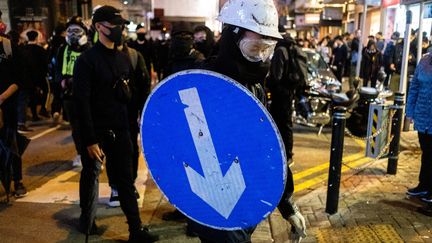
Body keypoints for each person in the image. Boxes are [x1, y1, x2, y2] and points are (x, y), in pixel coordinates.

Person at [187, 0, 307, 242]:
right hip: (214, 204)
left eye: (266, 49)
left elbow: (267, 146)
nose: (259, 58)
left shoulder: (255, 87)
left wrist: (286, 203)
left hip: (246, 201)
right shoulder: (201, 85)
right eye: (254, 48)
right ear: (232, 36)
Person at [73, 5, 158, 242]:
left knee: (126, 181)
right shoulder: (87, 61)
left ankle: (136, 229)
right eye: (114, 26)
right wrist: (89, 139)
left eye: (121, 26)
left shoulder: (125, 57)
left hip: (121, 130)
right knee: (90, 177)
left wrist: (134, 125)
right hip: (97, 132)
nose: (120, 30)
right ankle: (87, 220)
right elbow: (82, 103)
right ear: (99, 27)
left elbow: (131, 95)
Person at [107, 30, 151, 207]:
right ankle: (115, 187)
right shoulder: (98, 57)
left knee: (131, 149)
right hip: (108, 114)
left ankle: (129, 184)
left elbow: (144, 82)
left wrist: (142, 110)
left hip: (130, 113)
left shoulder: (133, 55)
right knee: (112, 151)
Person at [54, 16, 90, 168]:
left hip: (88, 95)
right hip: (69, 95)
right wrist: (62, 81)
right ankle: (81, 154)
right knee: (76, 128)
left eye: (77, 30)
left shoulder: (90, 49)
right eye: (70, 30)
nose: (73, 33)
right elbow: (57, 70)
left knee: (90, 126)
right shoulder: (62, 50)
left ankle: (94, 154)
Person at [0, 23, 28, 198]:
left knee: (11, 143)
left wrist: (2, 97)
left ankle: (17, 181)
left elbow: (21, 79)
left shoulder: (8, 47)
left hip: (7, 107)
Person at [405, 52, 432, 213]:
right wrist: (410, 111)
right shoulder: (424, 60)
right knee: (427, 152)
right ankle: (424, 185)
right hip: (422, 116)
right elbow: (414, 86)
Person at [18, 30, 48, 130]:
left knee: (31, 95)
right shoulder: (40, 49)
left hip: (27, 77)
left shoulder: (23, 49)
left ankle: (34, 114)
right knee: (46, 90)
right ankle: (43, 108)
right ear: (36, 38)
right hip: (39, 76)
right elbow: (45, 62)